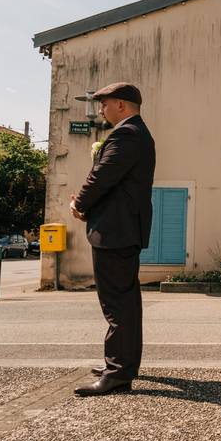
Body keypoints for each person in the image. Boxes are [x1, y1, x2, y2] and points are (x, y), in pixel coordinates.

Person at [69, 82, 156, 397]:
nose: (101, 110)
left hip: (115, 232)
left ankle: (118, 373)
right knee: (125, 304)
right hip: (122, 230)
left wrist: (79, 204)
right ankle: (121, 364)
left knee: (117, 306)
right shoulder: (136, 133)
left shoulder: (126, 134)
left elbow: (101, 176)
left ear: (121, 105)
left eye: (104, 104)